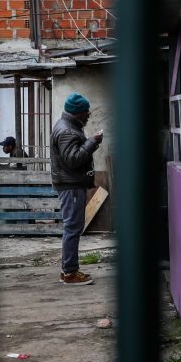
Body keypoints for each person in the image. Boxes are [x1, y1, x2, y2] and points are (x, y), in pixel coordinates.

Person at [50, 92, 103, 285]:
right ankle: (70, 272)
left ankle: (68, 270)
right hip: (70, 186)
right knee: (73, 228)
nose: (89, 114)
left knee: (72, 227)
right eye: (85, 111)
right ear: (77, 113)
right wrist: (93, 142)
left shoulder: (68, 126)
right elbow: (73, 160)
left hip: (71, 184)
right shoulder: (67, 131)